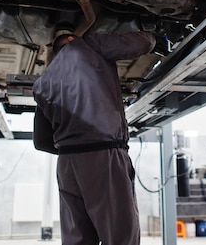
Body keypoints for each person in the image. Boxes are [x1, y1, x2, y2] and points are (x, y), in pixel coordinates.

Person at [32, 29, 156, 245]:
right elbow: (137, 43)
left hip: (67, 165)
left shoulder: (42, 83)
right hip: (103, 157)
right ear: (72, 39)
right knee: (119, 235)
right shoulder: (89, 45)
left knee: (77, 238)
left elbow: (41, 141)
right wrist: (154, 37)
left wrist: (74, 147)